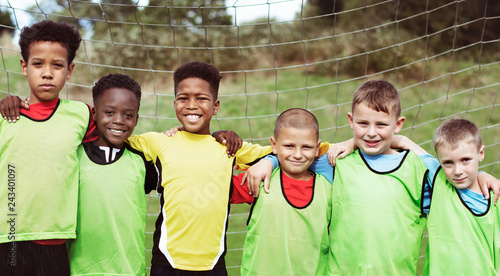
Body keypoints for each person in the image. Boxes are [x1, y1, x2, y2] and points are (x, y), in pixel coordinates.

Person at [245, 80, 500, 275]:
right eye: (363, 124)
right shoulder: (336, 162)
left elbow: (457, 176)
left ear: (398, 124)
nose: (371, 133)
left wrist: (482, 176)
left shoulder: (418, 169)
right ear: (351, 121)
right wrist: (269, 160)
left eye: (381, 125)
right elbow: (296, 157)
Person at [125, 61, 275, 275]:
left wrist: (269, 162)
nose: (192, 105)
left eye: (201, 98)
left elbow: (285, 151)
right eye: (183, 98)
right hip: (167, 262)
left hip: (213, 264)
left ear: (215, 106)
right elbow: (112, 136)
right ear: (174, 102)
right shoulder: (159, 143)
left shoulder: (230, 148)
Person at [0, 20, 96, 275]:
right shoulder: (5, 115)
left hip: (54, 238)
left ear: (70, 69)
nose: (47, 73)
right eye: (38, 63)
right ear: (24, 66)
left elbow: (120, 135)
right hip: (7, 237)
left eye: (57, 65)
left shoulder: (82, 115)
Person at [67, 74, 158, 275]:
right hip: (79, 270)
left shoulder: (142, 161)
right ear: (95, 115)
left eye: (128, 115)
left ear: (136, 119)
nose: (118, 121)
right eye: (109, 112)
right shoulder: (74, 155)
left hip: (129, 270)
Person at [233, 108, 331, 275]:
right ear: (274, 145)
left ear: (317, 149)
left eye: (306, 147)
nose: (298, 155)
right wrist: (217, 140)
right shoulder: (259, 178)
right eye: (289, 146)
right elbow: (218, 186)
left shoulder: (329, 187)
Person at [423, 119, 500, 275]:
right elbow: (402, 143)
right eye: (448, 162)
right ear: (438, 160)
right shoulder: (438, 183)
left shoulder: (495, 196)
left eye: (465, 160)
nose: (457, 171)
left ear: (481, 154)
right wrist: (402, 139)